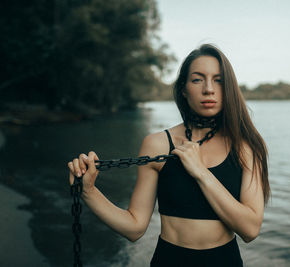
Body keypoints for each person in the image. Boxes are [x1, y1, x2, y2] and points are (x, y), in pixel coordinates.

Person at [67, 44, 270, 267]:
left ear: (228, 87)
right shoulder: (158, 144)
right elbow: (134, 228)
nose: (209, 89)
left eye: (218, 80)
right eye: (197, 79)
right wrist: (88, 191)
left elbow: (250, 230)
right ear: (183, 89)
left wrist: (201, 172)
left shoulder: (246, 147)